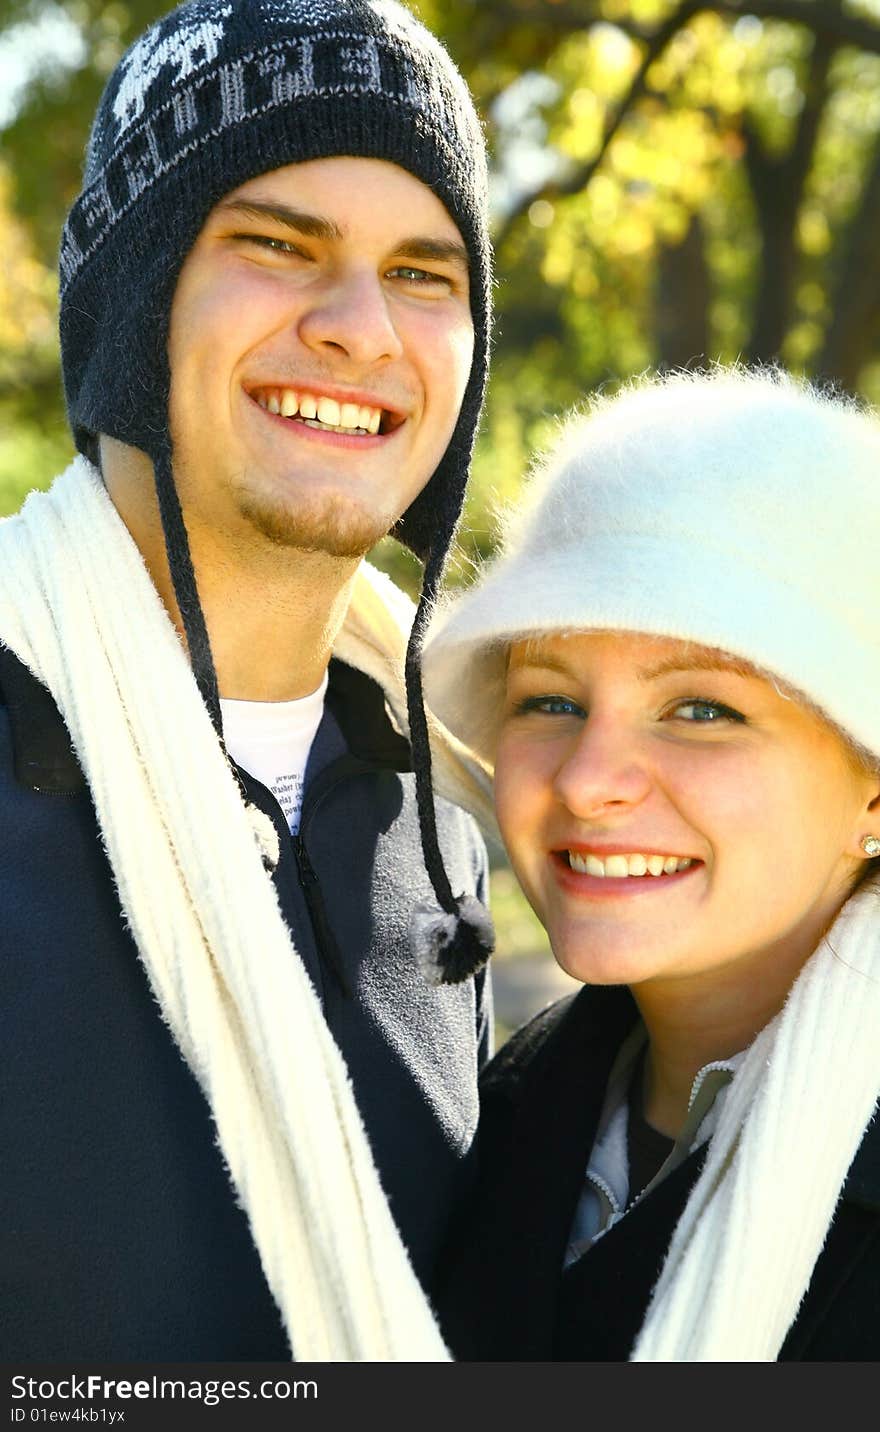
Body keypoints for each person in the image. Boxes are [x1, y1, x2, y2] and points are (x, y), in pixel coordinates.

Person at [0, 0, 498, 1362]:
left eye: (426, 271)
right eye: (278, 247)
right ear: (134, 295)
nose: (360, 328)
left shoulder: (442, 826)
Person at [422, 365, 880, 1361]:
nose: (589, 781)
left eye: (702, 709)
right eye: (549, 699)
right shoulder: (499, 1110)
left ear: (873, 793)